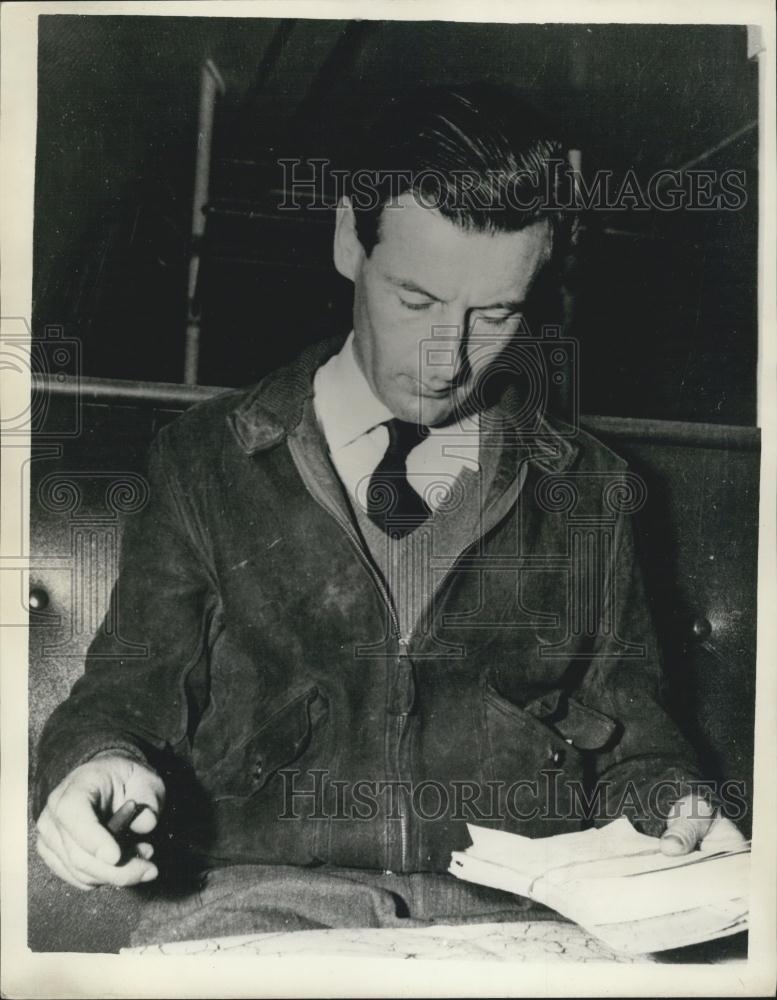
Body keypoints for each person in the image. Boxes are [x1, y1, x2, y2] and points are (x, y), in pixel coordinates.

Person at [33, 84, 743, 942]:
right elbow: (124, 696)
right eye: (415, 301)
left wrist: (675, 804)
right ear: (347, 242)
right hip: (257, 907)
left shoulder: (587, 487)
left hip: (519, 916)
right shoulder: (208, 459)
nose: (448, 359)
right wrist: (92, 766)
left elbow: (636, 740)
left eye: (495, 314)